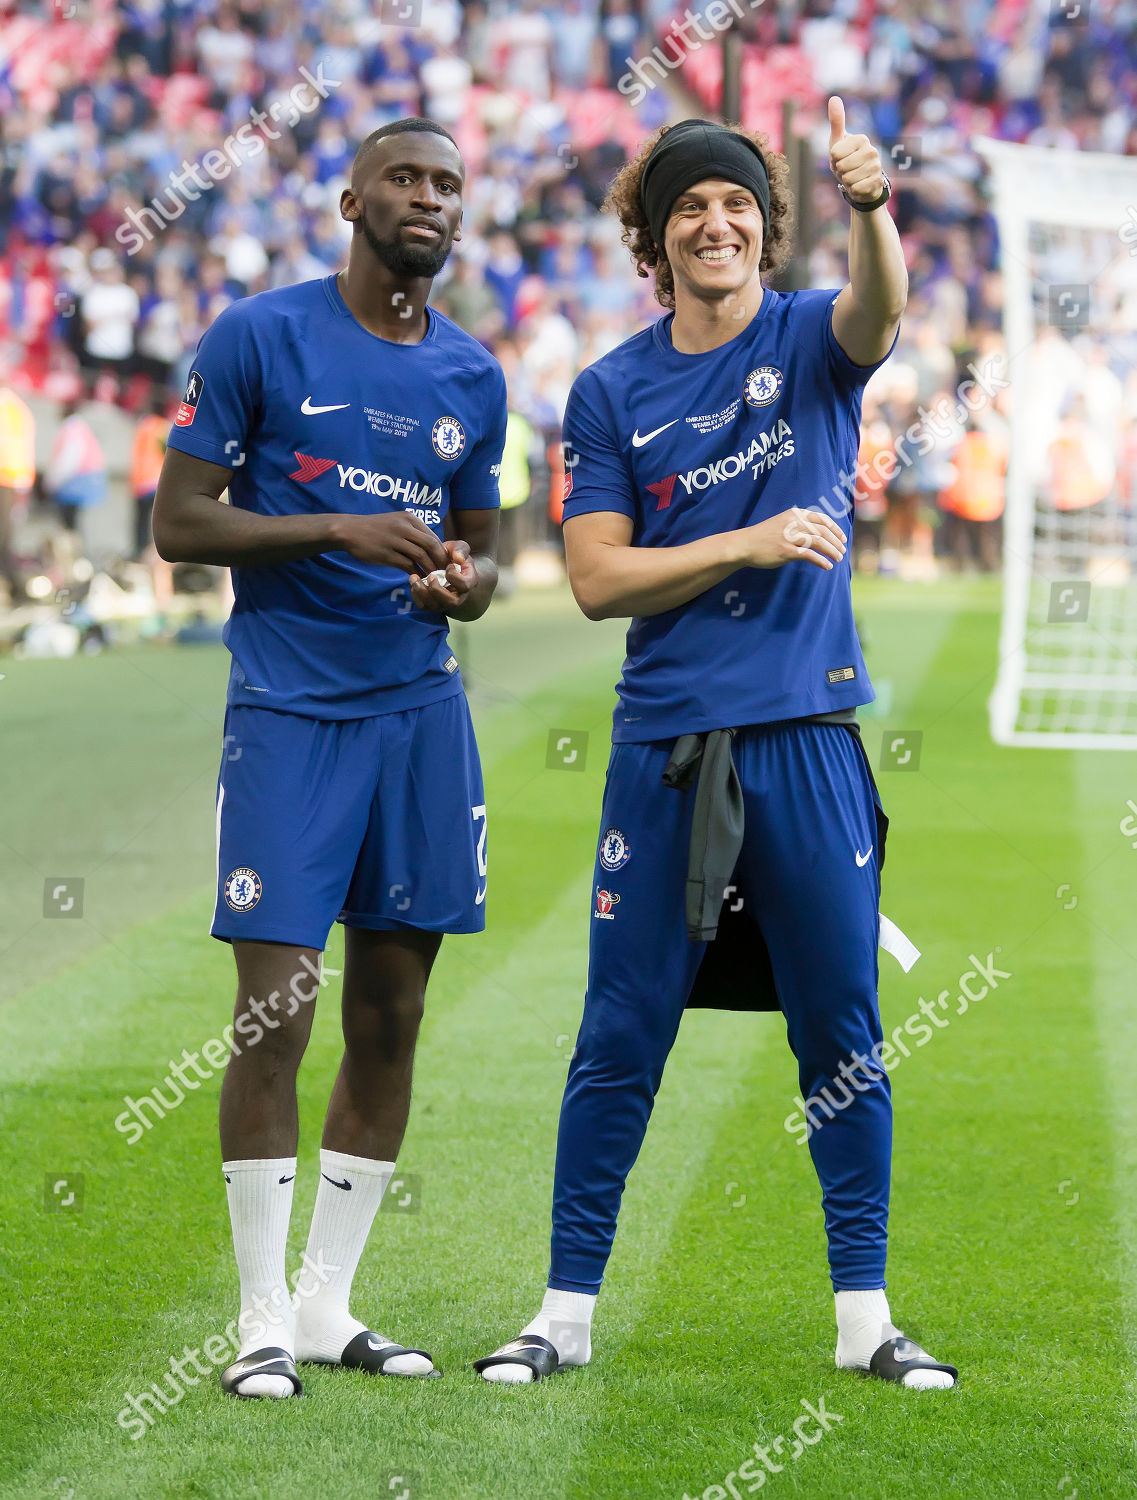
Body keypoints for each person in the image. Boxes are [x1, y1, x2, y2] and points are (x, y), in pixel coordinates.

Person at [475, 104, 958, 1390]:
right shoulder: (611, 388)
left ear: (763, 224)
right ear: (656, 236)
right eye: (689, 204)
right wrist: (745, 542)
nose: (716, 220)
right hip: (669, 749)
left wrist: (872, 205)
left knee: (841, 1035)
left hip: (808, 740)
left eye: (737, 202)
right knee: (621, 1034)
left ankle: (866, 1321)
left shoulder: (810, 335)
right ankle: (563, 1313)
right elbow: (594, 578)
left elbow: (881, 312)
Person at [153, 117, 507, 1401]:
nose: (430, 198)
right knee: (277, 1012)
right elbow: (178, 523)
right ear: (351, 198)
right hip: (291, 717)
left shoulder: (474, 373)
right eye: (407, 178)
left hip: (421, 718)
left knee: (392, 1014)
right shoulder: (260, 334)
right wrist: (335, 531)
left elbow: (486, 556)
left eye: (449, 184)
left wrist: (461, 588)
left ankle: (325, 1305)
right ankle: (255, 1320)